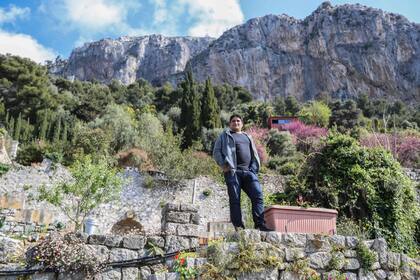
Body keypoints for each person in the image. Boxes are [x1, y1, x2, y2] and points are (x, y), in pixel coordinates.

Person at [213, 114, 272, 231]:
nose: (236, 123)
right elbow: (216, 151)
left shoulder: (247, 137)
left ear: (242, 124)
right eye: (233, 121)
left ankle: (260, 225)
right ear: (230, 124)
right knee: (235, 199)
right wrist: (224, 165)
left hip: (249, 172)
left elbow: (254, 153)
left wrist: (254, 169)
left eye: (238, 121)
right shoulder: (225, 136)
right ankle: (238, 227)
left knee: (258, 196)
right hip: (233, 172)